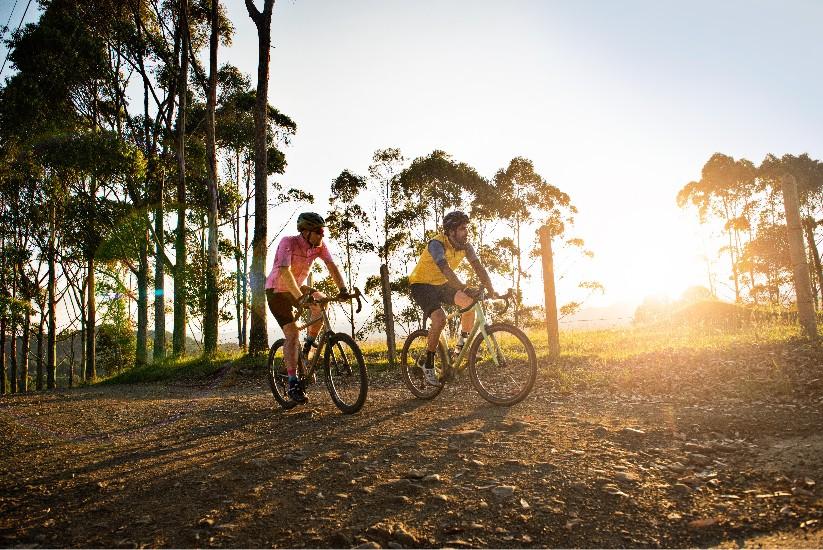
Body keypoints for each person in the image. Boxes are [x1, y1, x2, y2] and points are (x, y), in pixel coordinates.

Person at [265, 212, 348, 404]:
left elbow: (332, 266)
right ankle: (293, 382)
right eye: (319, 231)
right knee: (292, 334)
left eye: (323, 231)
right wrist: (300, 297)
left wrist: (343, 289)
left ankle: (309, 343)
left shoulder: (319, 246)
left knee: (321, 300)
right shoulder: (288, 242)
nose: (322, 235)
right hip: (277, 291)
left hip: (298, 287)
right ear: (306, 232)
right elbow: (285, 272)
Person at [408, 210, 497, 385]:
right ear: (451, 231)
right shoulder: (436, 244)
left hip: (441, 284)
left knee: (470, 303)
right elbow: (446, 270)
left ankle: (460, 347)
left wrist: (491, 289)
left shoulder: (466, 247)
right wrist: (464, 287)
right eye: (463, 229)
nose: (467, 232)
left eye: (467, 228)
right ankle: (428, 363)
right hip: (421, 284)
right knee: (439, 319)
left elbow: (479, 268)